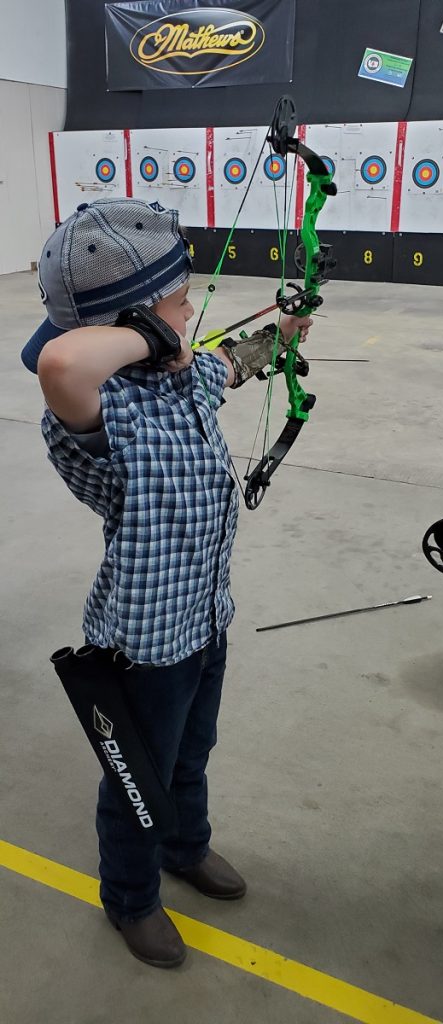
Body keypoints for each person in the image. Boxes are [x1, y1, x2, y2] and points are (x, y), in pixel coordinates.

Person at [21, 198, 312, 969]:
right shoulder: (96, 413)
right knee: (137, 780)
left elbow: (228, 366)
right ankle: (131, 899)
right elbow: (58, 361)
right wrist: (154, 333)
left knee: (194, 751)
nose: (196, 312)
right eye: (183, 301)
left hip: (205, 616)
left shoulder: (180, 382)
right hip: (145, 644)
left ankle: (187, 847)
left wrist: (276, 334)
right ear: (136, 320)